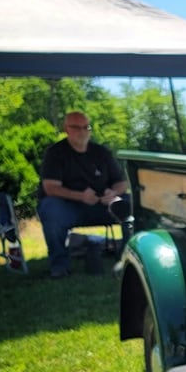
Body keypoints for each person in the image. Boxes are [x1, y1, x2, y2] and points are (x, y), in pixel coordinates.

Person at [37, 111, 130, 278]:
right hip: (69, 208)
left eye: (86, 127)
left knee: (130, 203)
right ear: (66, 129)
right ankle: (59, 266)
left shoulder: (101, 152)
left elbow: (122, 182)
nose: (82, 131)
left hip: (102, 207)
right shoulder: (55, 153)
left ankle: (129, 258)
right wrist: (81, 196)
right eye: (76, 127)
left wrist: (113, 193)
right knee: (50, 207)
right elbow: (50, 187)